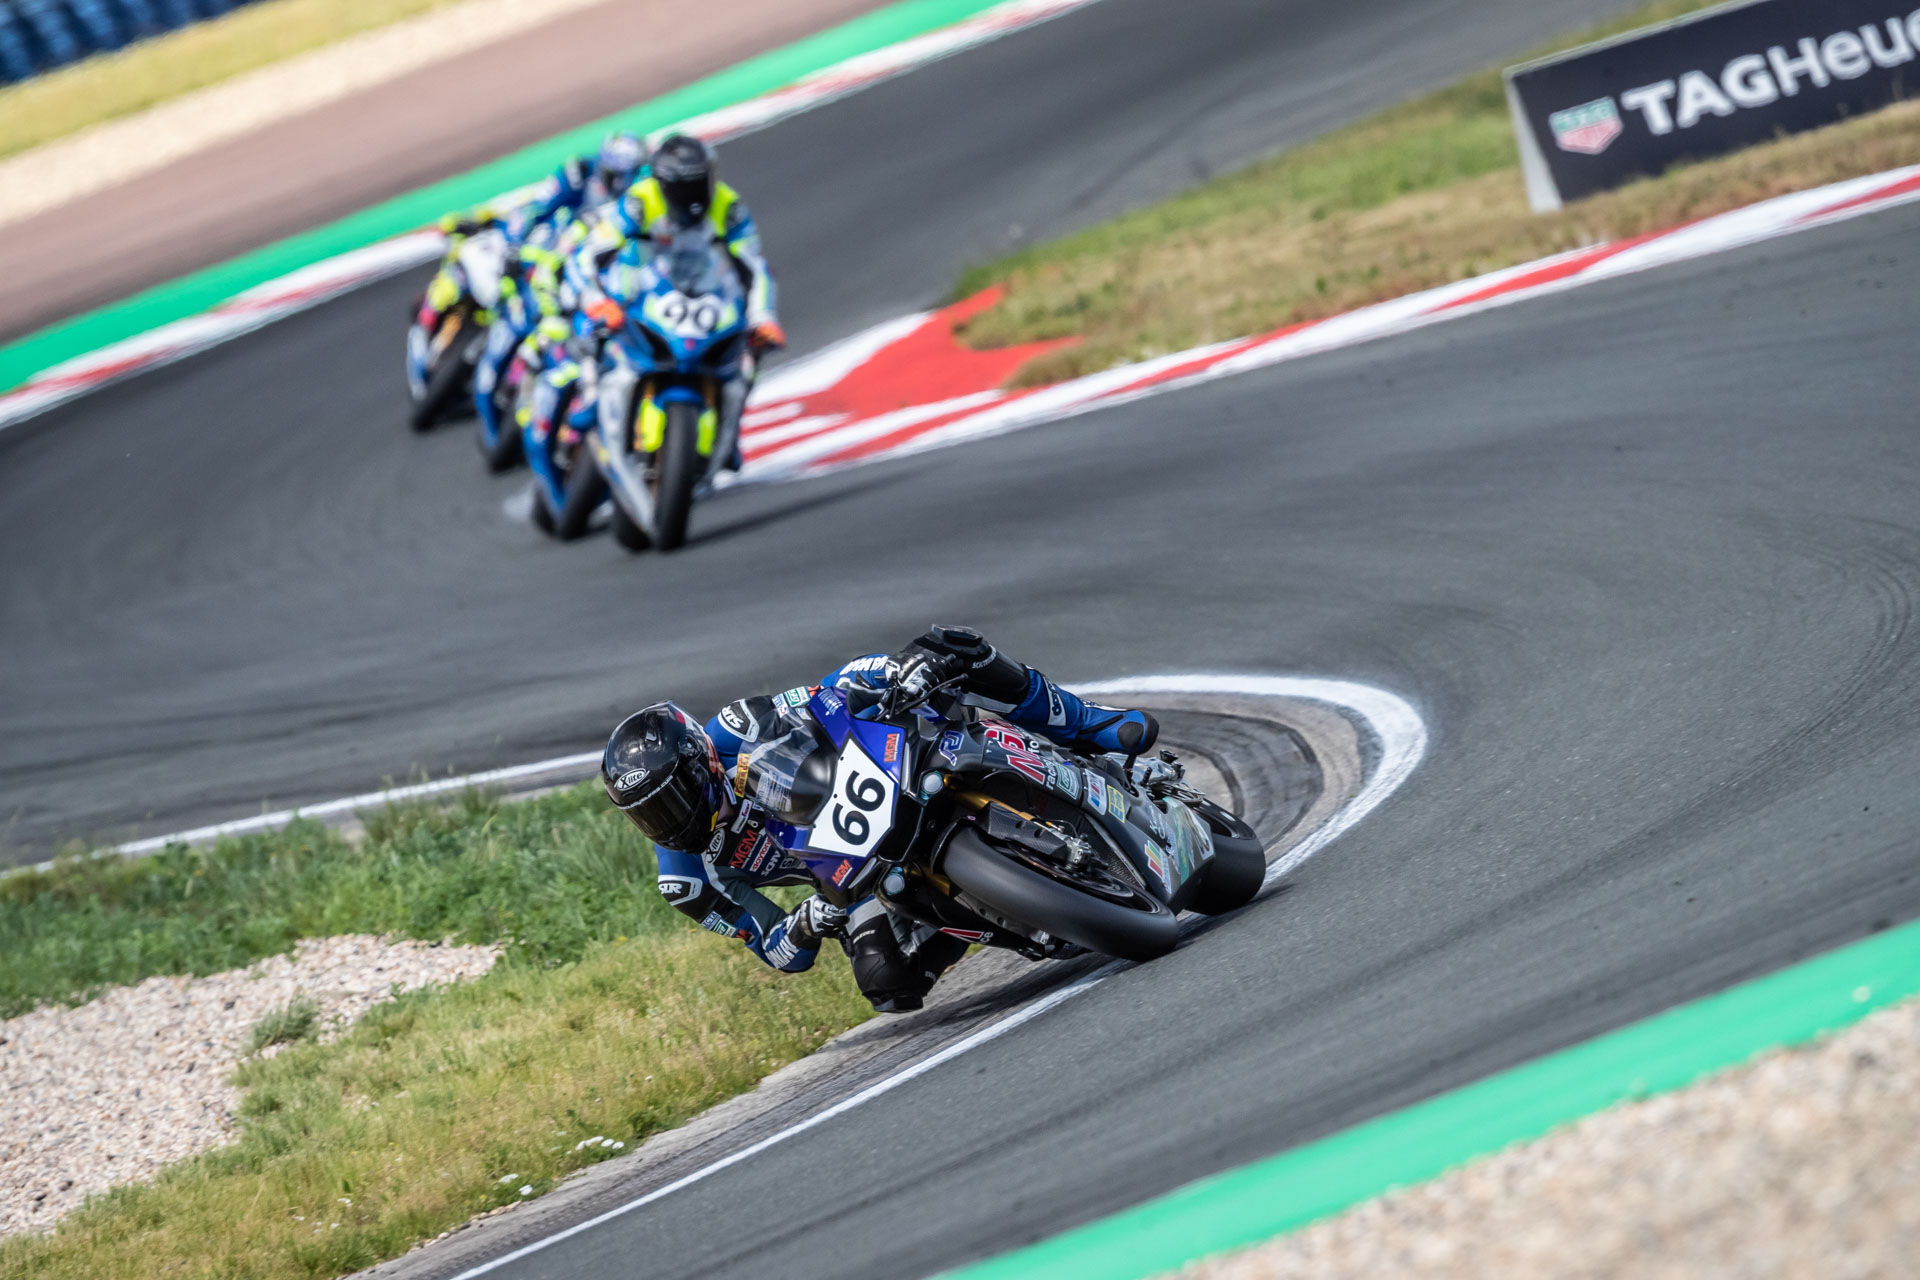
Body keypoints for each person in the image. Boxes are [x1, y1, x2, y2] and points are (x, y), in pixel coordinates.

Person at [601, 627, 1159, 1012]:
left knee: (949, 648)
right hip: (844, 875)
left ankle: (1088, 724)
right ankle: (1012, 914)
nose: (668, 823)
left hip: (875, 771)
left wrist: (890, 677)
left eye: (671, 800)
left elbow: (827, 694)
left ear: (699, 763)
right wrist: (807, 922)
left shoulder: (735, 726)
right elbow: (776, 949)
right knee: (888, 984)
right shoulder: (686, 881)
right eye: (648, 815)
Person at [555, 133, 782, 472]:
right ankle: (586, 403)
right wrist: (596, 299)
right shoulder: (640, 201)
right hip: (640, 284)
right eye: (682, 186)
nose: (692, 195)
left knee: (751, 351)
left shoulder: (728, 206)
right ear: (663, 183)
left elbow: (755, 266)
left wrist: (762, 317)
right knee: (590, 331)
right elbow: (590, 252)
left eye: (699, 182)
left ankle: (729, 429)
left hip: (700, 290)